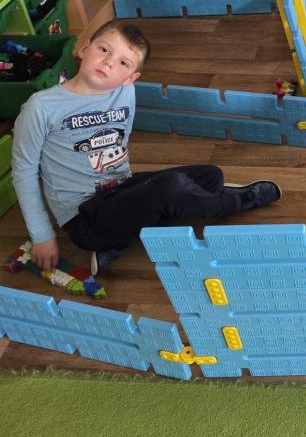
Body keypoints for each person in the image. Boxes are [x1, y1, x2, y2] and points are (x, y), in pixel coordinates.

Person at [11, 19, 281, 276]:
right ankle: (234, 202)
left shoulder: (124, 92)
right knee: (172, 188)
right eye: (104, 49)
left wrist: (137, 194)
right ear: (84, 49)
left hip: (120, 191)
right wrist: (42, 236)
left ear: (130, 78)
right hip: (85, 218)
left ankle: (121, 239)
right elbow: (24, 172)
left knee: (211, 175)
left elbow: (120, 141)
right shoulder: (41, 107)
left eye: (123, 63)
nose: (109, 62)